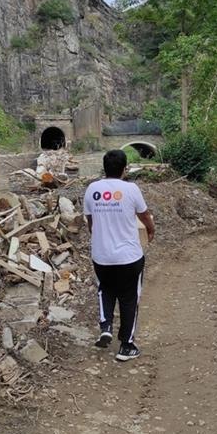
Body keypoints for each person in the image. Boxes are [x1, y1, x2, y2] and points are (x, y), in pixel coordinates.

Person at [83, 149, 155, 362]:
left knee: (105, 289)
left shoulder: (92, 189)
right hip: (129, 258)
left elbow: (91, 223)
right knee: (129, 297)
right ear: (125, 169)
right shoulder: (131, 189)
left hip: (101, 257)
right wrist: (151, 230)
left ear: (104, 168)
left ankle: (105, 327)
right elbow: (144, 215)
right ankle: (126, 345)